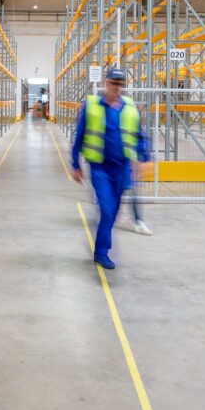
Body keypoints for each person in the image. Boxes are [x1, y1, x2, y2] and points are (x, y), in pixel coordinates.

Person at [71, 68, 150, 269]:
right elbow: (79, 136)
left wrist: (145, 157)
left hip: (123, 168)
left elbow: (139, 136)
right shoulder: (91, 106)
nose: (116, 87)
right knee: (107, 210)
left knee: (113, 212)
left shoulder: (130, 107)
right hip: (100, 168)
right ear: (106, 83)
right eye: (113, 83)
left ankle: (102, 248)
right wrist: (75, 164)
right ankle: (101, 252)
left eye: (119, 84)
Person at [123, 135, 152, 236]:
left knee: (133, 190)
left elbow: (140, 136)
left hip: (128, 159)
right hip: (112, 160)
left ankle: (138, 221)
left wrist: (145, 158)